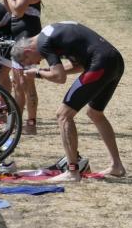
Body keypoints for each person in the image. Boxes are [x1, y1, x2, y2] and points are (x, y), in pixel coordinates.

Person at [11, 22, 126, 181]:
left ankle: (72, 172)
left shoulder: (43, 44)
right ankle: (116, 166)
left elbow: (60, 77)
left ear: (28, 51)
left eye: (31, 61)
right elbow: (77, 66)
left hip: (101, 63)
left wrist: (38, 73)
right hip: (114, 60)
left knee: (63, 115)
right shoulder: (50, 33)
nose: (37, 62)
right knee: (95, 113)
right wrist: (45, 71)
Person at [0, 0, 42, 135]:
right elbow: (10, 11)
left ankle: (31, 124)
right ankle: (16, 121)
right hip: (18, 37)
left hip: (28, 38)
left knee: (26, 82)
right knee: (18, 82)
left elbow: (18, 11)